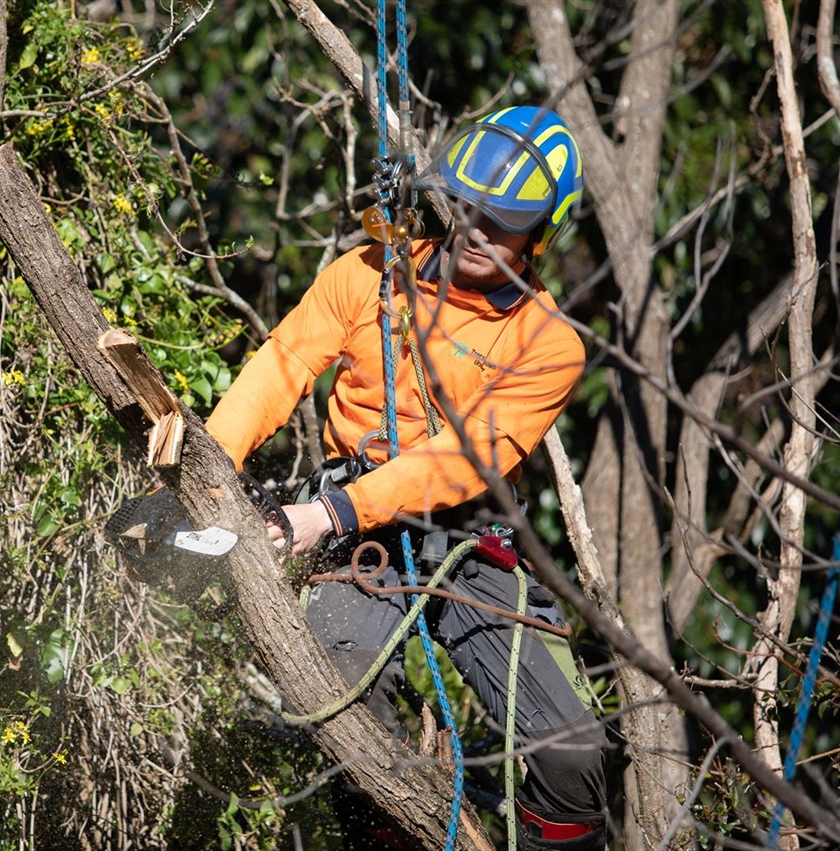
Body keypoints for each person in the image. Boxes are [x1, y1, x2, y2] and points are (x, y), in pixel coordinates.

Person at [205, 105, 607, 850]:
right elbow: (283, 363)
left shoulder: (548, 344)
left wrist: (326, 516)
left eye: (505, 221)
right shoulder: (369, 274)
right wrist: (210, 459)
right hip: (358, 530)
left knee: (571, 751)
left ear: (543, 233)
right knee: (336, 687)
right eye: (469, 209)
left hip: (469, 537)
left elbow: (460, 461)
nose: (478, 231)